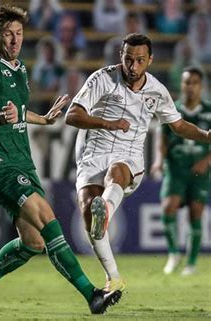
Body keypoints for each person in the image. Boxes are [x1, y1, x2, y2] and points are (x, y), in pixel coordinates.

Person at [0, 5, 122, 315]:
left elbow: (15, 111)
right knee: (48, 220)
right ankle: (92, 295)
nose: (14, 40)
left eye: (19, 34)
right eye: (8, 34)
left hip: (20, 160)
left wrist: (44, 120)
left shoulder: (19, 68)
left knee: (33, 243)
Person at [65, 33, 211, 292]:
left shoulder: (157, 90)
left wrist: (205, 136)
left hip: (128, 155)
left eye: (139, 60)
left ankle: (106, 210)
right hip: (92, 153)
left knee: (116, 172)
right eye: (128, 59)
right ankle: (114, 277)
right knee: (90, 219)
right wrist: (106, 123)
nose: (133, 67)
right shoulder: (102, 78)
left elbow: (177, 125)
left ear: (150, 60)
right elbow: (72, 115)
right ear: (121, 56)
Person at [150, 66, 211, 276]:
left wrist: (207, 160)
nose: (190, 86)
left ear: (201, 86)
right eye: (187, 82)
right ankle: (174, 253)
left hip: (200, 172)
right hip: (176, 168)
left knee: (196, 213)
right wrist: (158, 161)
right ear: (181, 85)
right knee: (168, 207)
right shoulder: (172, 109)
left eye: (194, 82)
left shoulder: (209, 111)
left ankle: (191, 263)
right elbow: (162, 141)